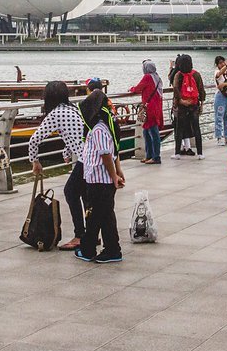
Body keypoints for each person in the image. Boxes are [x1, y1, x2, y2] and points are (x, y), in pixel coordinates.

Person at [29, 80, 88, 250]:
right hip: (90, 157)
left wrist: (35, 161)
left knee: (70, 191)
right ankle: (89, 234)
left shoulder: (55, 114)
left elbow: (34, 140)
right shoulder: (73, 109)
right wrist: (67, 151)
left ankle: (79, 235)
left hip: (84, 159)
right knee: (83, 194)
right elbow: (75, 133)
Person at [76, 90, 124, 263]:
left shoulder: (98, 129)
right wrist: (117, 172)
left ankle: (89, 250)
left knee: (94, 216)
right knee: (105, 216)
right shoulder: (104, 127)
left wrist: (114, 176)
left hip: (100, 180)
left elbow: (105, 154)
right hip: (99, 179)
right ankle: (112, 249)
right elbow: (115, 152)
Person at [171, 54, 205, 160]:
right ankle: (200, 153)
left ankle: (177, 153)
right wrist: (202, 104)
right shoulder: (196, 74)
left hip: (182, 106)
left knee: (179, 129)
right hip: (194, 104)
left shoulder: (178, 75)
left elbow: (176, 90)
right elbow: (201, 89)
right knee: (196, 129)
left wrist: (180, 101)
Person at [130, 60, 165, 164]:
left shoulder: (148, 77)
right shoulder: (157, 77)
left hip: (150, 108)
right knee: (146, 132)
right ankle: (149, 155)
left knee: (153, 133)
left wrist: (131, 89)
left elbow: (139, 87)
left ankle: (156, 157)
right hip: (156, 107)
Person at [212, 56, 227, 147]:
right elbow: (218, 74)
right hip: (220, 96)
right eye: (220, 63)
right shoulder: (217, 72)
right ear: (217, 65)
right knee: (219, 116)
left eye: (223, 62)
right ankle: (219, 137)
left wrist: (226, 84)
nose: (222, 64)